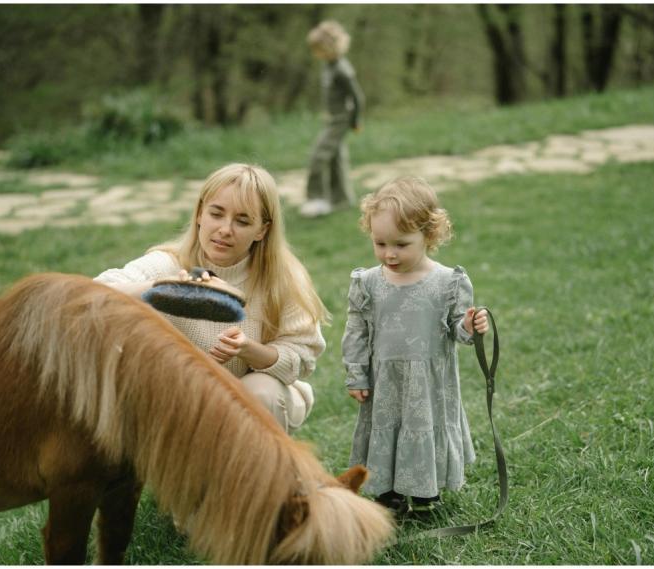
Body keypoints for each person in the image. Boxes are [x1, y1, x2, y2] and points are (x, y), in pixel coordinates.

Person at [95, 163, 329, 434]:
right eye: (216, 214)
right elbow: (94, 295)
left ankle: (260, 474)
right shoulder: (168, 265)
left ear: (262, 230)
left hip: (250, 395)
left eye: (242, 221)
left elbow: (301, 357)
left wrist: (248, 349)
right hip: (181, 396)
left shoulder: (281, 279)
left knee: (260, 392)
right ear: (199, 214)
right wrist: (162, 288)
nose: (225, 229)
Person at [341, 176, 489, 515]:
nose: (389, 254)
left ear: (430, 234)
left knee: (423, 426)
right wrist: (357, 373)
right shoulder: (367, 283)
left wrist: (469, 325)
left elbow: (457, 329)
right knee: (387, 428)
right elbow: (357, 330)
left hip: (429, 383)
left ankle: (425, 489)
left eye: (401, 244)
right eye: (380, 243)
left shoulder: (447, 282)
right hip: (385, 381)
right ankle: (387, 493)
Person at [299, 20, 365, 218]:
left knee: (318, 157)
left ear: (329, 47)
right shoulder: (328, 66)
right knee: (336, 158)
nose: (316, 54)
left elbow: (358, 98)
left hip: (341, 121)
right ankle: (342, 199)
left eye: (318, 49)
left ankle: (317, 199)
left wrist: (355, 121)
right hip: (331, 119)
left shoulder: (343, 70)